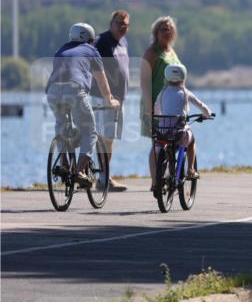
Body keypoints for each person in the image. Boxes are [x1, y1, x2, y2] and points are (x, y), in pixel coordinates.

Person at [45, 23, 122, 188]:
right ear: (89, 39)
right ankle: (79, 171)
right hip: (74, 90)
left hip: (52, 91)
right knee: (90, 131)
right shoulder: (91, 51)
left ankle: (64, 164)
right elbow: (102, 81)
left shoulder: (60, 50)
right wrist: (109, 100)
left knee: (61, 128)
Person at [89, 10, 131, 191]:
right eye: (118, 23)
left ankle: (104, 177)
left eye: (125, 24)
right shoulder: (101, 41)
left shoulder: (123, 42)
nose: (122, 27)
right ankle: (102, 178)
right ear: (110, 23)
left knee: (109, 139)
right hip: (102, 97)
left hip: (118, 99)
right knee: (103, 138)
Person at [153, 64, 213, 180]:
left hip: (163, 132)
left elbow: (156, 109)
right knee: (191, 141)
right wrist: (208, 113)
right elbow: (200, 104)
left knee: (162, 147)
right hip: (179, 133)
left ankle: (161, 177)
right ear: (183, 77)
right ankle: (190, 169)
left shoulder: (162, 93)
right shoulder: (185, 92)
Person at [141, 16, 182, 184]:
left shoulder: (171, 51)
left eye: (170, 29)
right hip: (155, 104)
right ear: (156, 32)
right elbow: (144, 82)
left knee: (176, 141)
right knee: (157, 145)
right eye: (163, 29)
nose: (167, 32)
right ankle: (156, 181)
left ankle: (172, 177)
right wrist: (149, 109)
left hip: (173, 106)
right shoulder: (151, 53)